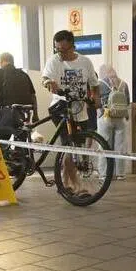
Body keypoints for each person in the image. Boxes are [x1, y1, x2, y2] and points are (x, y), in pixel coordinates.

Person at [42, 30, 101, 192]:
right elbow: (45, 78)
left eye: (63, 50)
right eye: (57, 49)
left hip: (80, 109)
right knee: (70, 146)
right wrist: (48, 83)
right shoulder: (54, 61)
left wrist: (96, 98)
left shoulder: (85, 62)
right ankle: (77, 185)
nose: (60, 53)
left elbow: (94, 84)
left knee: (77, 147)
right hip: (60, 108)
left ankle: (64, 183)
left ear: (73, 46)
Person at [96, 64, 130, 179]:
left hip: (105, 117)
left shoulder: (100, 84)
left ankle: (104, 174)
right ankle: (120, 174)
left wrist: (101, 112)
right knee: (120, 147)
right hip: (121, 118)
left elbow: (97, 101)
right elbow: (127, 102)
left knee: (104, 145)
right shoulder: (123, 84)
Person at [0, 52, 37, 129]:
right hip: (24, 113)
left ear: (2, 61)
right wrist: (35, 114)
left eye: (0, 62)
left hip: (8, 112)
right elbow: (33, 96)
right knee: (20, 139)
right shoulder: (24, 74)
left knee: (1, 138)